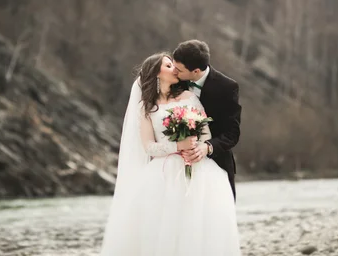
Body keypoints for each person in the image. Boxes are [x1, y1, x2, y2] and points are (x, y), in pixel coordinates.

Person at [100, 52, 241, 256]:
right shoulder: (147, 109)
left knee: (197, 222)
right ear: (157, 74)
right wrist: (177, 146)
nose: (174, 69)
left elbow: (205, 132)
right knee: (164, 226)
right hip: (163, 173)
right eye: (168, 66)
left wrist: (196, 148)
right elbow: (149, 146)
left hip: (197, 165)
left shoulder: (189, 97)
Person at [172, 39, 242, 200]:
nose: (174, 72)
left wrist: (207, 147)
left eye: (179, 69)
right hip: (177, 166)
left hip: (217, 164)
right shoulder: (173, 82)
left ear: (196, 71)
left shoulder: (227, 87)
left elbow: (232, 133)